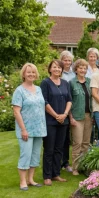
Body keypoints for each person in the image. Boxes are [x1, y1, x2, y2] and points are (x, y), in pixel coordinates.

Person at [12, 63, 47, 191]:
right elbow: (16, 111)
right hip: (25, 129)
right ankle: (23, 182)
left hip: (39, 128)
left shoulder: (38, 89)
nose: (31, 74)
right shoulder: (19, 90)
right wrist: (23, 129)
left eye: (33, 72)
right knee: (25, 155)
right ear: (24, 74)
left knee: (35, 155)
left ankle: (31, 179)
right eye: (28, 72)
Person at [40, 60, 72, 186]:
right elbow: (44, 101)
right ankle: (47, 176)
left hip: (63, 121)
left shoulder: (65, 83)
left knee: (59, 149)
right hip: (50, 121)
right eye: (54, 67)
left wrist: (64, 114)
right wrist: (55, 115)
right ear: (50, 69)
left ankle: (56, 174)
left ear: (62, 70)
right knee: (49, 149)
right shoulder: (45, 83)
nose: (57, 69)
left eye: (59, 67)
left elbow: (69, 100)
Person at [69, 59, 92, 176]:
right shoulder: (72, 83)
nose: (83, 70)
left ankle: (85, 166)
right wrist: (70, 117)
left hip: (89, 115)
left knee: (86, 143)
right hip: (77, 117)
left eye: (85, 68)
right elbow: (69, 101)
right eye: (80, 68)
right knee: (77, 142)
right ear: (76, 69)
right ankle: (75, 168)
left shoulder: (89, 82)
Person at [60, 50, 75, 173]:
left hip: (73, 107)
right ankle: (59, 161)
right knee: (62, 137)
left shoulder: (73, 74)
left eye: (69, 60)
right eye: (65, 60)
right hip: (61, 107)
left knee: (68, 138)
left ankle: (66, 162)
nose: (67, 62)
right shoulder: (59, 73)